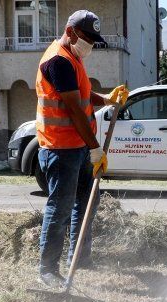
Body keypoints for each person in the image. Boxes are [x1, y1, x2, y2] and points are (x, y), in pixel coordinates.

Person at [35, 10, 129, 287]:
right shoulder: (58, 61)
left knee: (86, 202)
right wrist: (95, 149)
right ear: (70, 31)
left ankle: (80, 257)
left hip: (77, 145)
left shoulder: (74, 58)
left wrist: (107, 99)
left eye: (92, 39)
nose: (89, 44)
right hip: (60, 147)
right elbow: (75, 110)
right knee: (60, 207)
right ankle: (47, 270)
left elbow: (83, 96)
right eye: (86, 37)